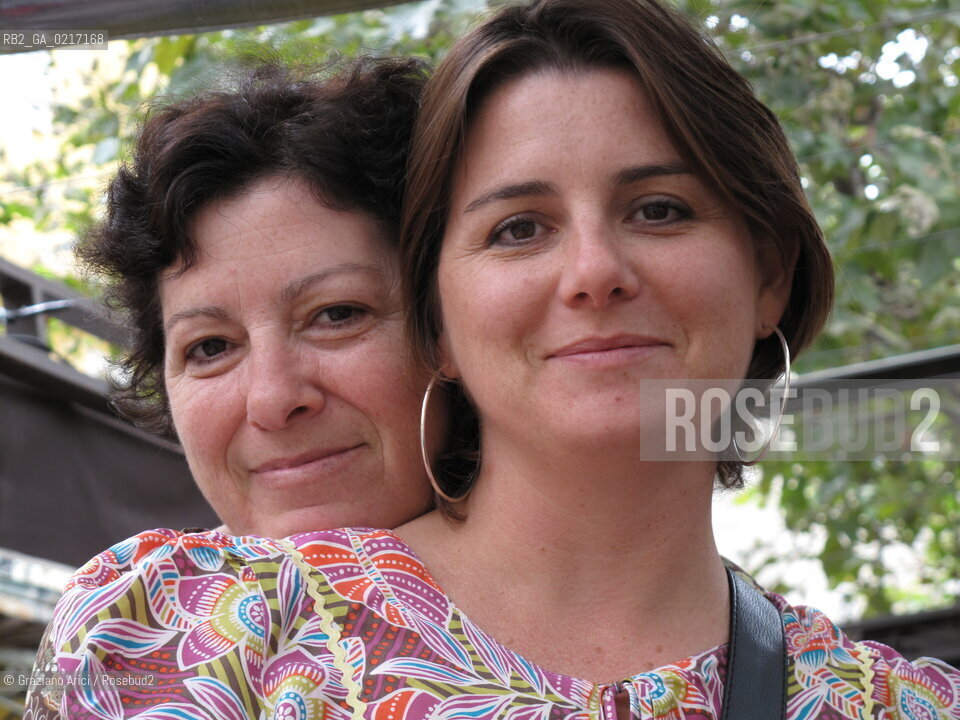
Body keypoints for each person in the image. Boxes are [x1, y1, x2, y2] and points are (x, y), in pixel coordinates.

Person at [28, 2, 960, 719]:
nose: (593, 272)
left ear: (770, 275)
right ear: (440, 319)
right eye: (519, 228)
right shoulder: (183, 634)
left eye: (661, 210)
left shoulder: (892, 705)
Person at [73, 56, 435, 539]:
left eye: (335, 315)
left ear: (448, 328)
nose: (272, 400)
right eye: (211, 347)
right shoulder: (137, 589)